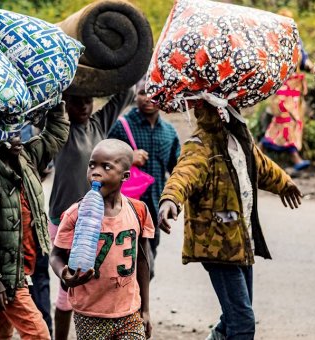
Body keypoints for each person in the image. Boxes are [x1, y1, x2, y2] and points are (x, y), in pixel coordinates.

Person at [158, 102, 303, 340]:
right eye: (217, 106)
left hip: (239, 242)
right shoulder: (200, 145)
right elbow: (184, 174)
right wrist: (170, 200)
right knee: (243, 322)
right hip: (216, 247)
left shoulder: (240, 140)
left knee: (233, 315)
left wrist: (284, 182)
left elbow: (261, 166)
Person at [0, 101, 69, 340]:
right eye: (7, 133)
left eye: (16, 129)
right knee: (39, 334)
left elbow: (55, 136)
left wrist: (57, 109)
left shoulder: (26, 158)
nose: (16, 137)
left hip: (24, 267)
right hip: (8, 277)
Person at [48, 89, 134, 340]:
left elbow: (123, 94)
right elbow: (50, 105)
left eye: (88, 100)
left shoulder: (99, 124)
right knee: (67, 288)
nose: (84, 106)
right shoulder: (60, 129)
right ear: (66, 104)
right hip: (64, 218)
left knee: (97, 283)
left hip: (98, 222)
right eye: (77, 102)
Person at [50, 139, 154, 340]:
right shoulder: (75, 213)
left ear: (125, 175)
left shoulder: (138, 211)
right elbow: (56, 256)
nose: (95, 172)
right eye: (92, 165)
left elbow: (142, 261)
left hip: (129, 312)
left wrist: (146, 309)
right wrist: (64, 274)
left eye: (106, 167)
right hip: (91, 313)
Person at [108, 80, 180, 271]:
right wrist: (128, 157)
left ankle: (139, 299)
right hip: (124, 209)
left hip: (154, 210)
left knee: (148, 262)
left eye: (154, 92)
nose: (148, 98)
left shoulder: (169, 133)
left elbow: (177, 170)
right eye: (142, 93)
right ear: (135, 96)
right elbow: (102, 164)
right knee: (122, 262)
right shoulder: (121, 127)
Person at [260, 9, 313, 173]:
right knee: (284, 119)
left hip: (294, 89)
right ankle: (294, 156)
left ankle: (257, 151)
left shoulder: (296, 40)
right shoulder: (273, 42)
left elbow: (304, 59)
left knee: (291, 120)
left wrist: (310, 66)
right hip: (282, 87)